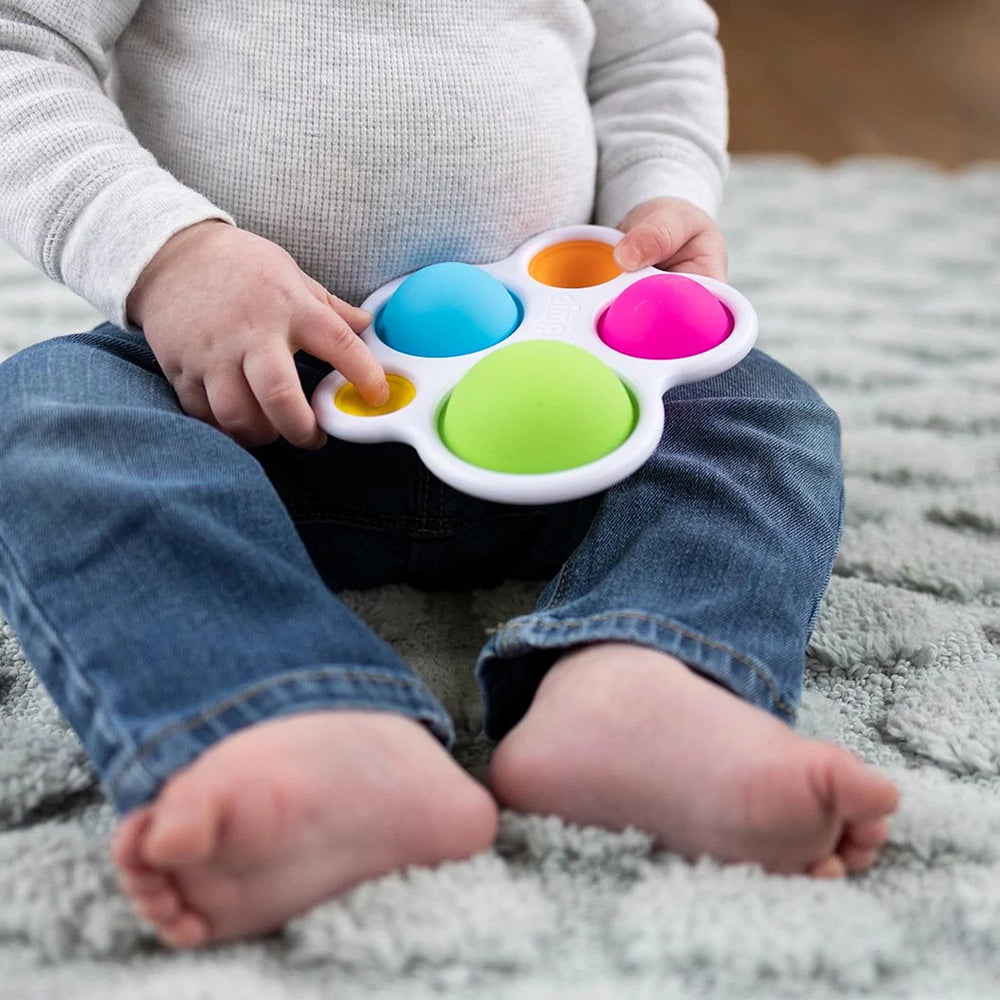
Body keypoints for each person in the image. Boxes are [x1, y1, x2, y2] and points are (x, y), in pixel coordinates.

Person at [0, 0, 899, 950]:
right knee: (56, 408)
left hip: (574, 397)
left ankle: (644, 678)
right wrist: (170, 252)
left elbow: (656, 46)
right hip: (253, 401)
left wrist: (660, 195)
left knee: (759, 413)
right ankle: (286, 718)